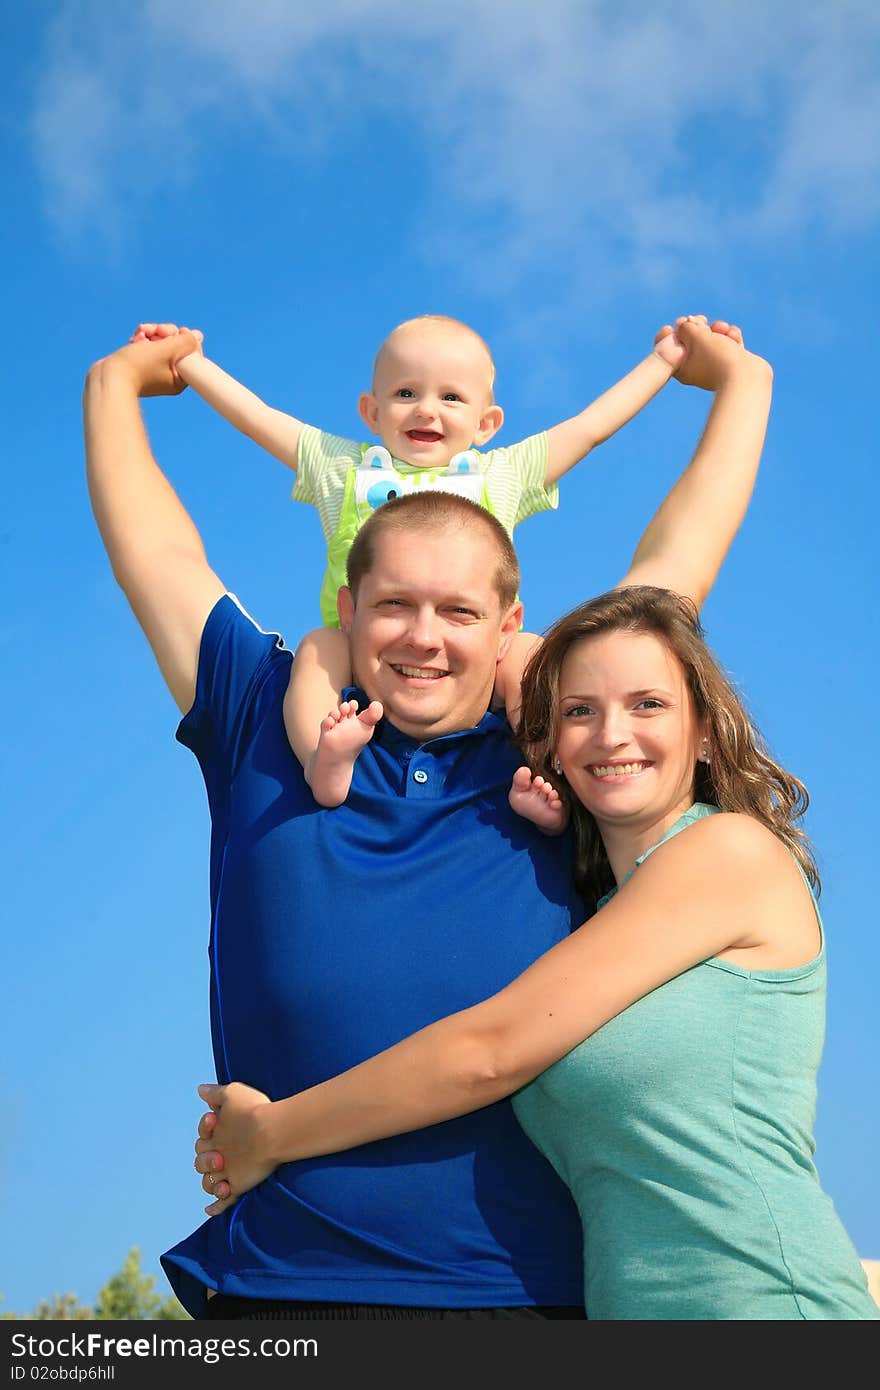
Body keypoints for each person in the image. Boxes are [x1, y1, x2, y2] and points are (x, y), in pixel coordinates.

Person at [85, 314, 770, 1320]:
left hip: (526, 1291)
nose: (422, 637)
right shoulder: (265, 716)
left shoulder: (569, 746)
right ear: (349, 611)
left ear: (506, 628)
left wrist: (739, 383)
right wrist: (116, 381)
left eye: (457, 613)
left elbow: (682, 555)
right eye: (395, 606)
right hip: (280, 1282)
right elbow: (154, 548)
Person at [193, 584, 880, 1320]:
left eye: (649, 704)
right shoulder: (602, 913)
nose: (613, 733)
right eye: (580, 711)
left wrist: (271, 1134)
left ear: (706, 732)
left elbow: (491, 1049)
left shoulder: (727, 853)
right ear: (549, 738)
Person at [130, 313, 716, 811]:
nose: (426, 411)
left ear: (487, 423)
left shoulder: (500, 475)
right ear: (372, 410)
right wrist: (191, 364)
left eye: (451, 397)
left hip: (471, 655)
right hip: (361, 644)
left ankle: (546, 773)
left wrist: (664, 362)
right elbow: (258, 417)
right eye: (405, 393)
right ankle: (324, 757)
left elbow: (588, 428)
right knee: (314, 652)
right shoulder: (347, 468)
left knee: (534, 657)